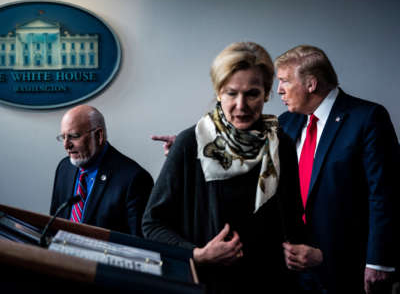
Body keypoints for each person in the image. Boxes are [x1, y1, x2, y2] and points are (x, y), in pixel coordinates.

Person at [143, 42, 311, 294]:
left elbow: (294, 220)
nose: (241, 106)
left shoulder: (281, 143)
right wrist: (198, 254)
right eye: (232, 93)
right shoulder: (191, 143)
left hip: (270, 284)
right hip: (207, 285)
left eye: (252, 93)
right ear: (219, 92)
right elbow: (152, 224)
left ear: (266, 93)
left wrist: (302, 250)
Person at [275, 45, 398, 294]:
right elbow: (249, 149)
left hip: (348, 270)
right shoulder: (287, 121)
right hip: (293, 268)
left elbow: (384, 193)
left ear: (311, 84)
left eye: (285, 81)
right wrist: (191, 144)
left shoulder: (368, 118)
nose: (279, 90)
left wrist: (378, 261)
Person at [50, 105, 153, 236]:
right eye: (63, 137)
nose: (66, 145)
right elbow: (53, 224)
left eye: (74, 136)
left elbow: (139, 245)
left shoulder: (134, 179)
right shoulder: (64, 168)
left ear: (98, 135)